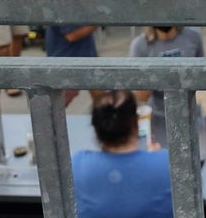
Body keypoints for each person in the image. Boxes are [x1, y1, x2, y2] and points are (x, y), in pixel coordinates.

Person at [72, 90, 173, 218]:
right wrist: (158, 158)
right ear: (136, 123)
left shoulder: (78, 164)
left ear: (95, 128)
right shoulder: (166, 163)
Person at [129, 26, 204, 149]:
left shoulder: (193, 36)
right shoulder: (140, 45)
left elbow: (202, 77)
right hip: (159, 117)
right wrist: (155, 75)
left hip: (191, 113)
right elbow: (141, 96)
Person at [44, 0, 99, 107]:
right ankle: (41, 132)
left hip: (84, 55)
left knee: (102, 98)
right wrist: (98, 22)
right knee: (56, 106)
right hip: (66, 60)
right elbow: (72, 35)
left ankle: (108, 130)